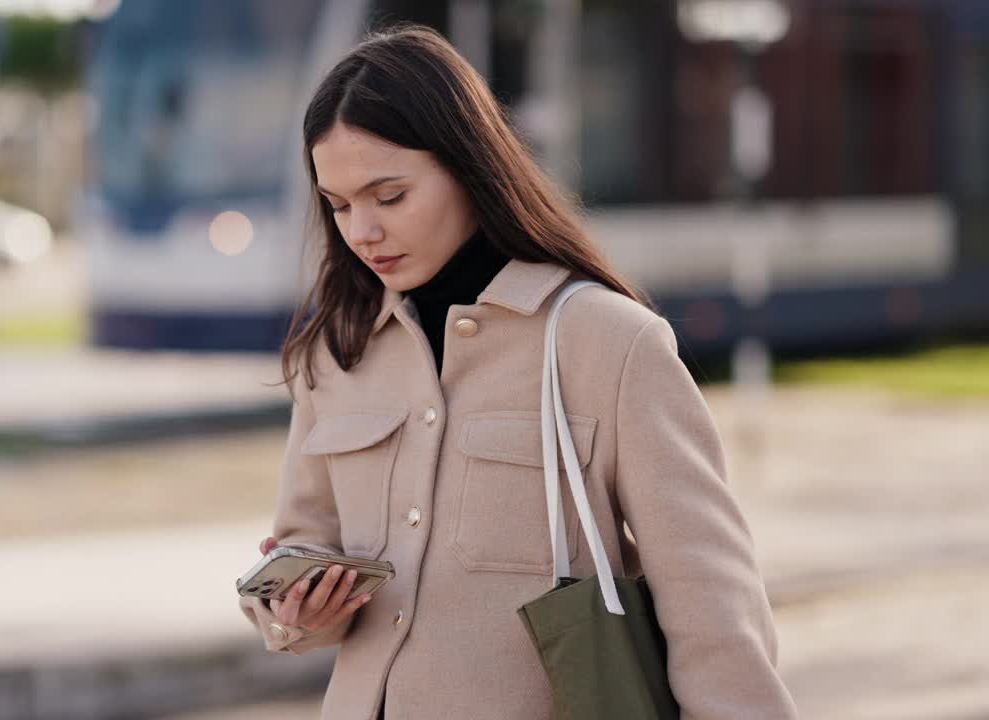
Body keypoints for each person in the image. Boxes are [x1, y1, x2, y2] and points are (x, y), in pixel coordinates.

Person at [238, 24, 798, 720]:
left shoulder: (607, 342)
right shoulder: (337, 351)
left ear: (468, 168)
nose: (362, 232)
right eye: (340, 205)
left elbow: (712, 605)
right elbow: (304, 556)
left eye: (390, 197)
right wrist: (298, 610)